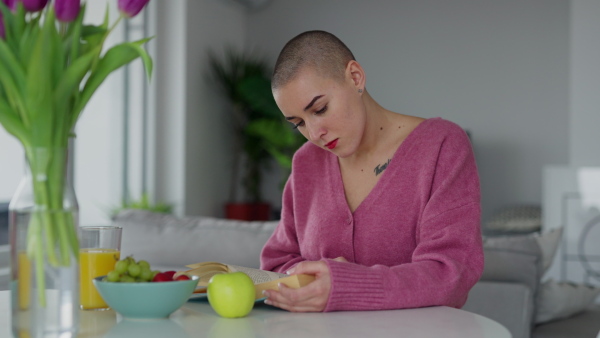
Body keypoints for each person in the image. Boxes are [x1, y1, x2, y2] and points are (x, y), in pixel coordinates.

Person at [260, 30, 483, 313]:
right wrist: (314, 280)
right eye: (298, 123)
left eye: (320, 108)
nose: (314, 133)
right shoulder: (307, 162)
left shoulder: (441, 145)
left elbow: (451, 275)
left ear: (355, 77)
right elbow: (277, 264)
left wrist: (348, 284)